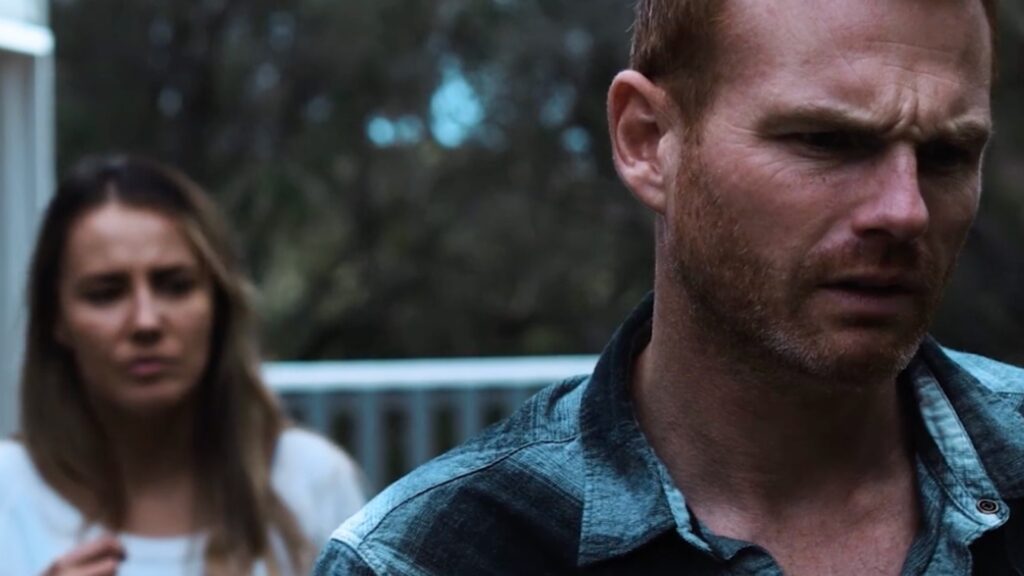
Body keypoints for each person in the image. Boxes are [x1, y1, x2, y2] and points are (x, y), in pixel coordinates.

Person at [314, 0, 1024, 574]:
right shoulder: (430, 555)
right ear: (648, 140)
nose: (905, 211)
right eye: (826, 142)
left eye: (947, 154)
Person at [0, 155, 366, 576]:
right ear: (56, 320)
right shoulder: (8, 492)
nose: (146, 321)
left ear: (219, 304)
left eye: (175, 286)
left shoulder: (312, 481)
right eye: (106, 292)